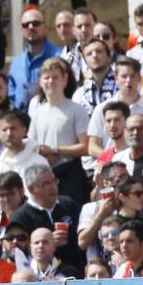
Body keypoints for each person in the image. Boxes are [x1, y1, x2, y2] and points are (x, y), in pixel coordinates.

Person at [29, 57, 92, 205]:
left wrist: (55, 151)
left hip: (70, 174)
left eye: (55, 77)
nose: (51, 81)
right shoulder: (37, 113)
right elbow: (31, 146)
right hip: (43, 175)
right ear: (40, 81)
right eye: (46, 77)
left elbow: (86, 147)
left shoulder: (76, 109)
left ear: (65, 80)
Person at [9, 166, 84, 272]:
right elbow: (18, 253)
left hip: (76, 272)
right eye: (46, 184)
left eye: (54, 181)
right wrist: (46, 243)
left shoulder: (68, 204)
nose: (52, 187)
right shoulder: (20, 217)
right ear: (31, 189)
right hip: (40, 277)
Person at [0, 111, 49, 221]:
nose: (9, 133)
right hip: (2, 226)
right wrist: (7, 207)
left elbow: (45, 197)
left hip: (34, 222)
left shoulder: (38, 162)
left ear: (24, 130)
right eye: (4, 129)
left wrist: (19, 211)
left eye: (13, 128)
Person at [8, 8, 60, 106]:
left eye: (36, 23)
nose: (30, 27)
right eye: (25, 25)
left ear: (45, 28)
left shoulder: (59, 57)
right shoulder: (16, 63)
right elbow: (10, 98)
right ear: (21, 30)